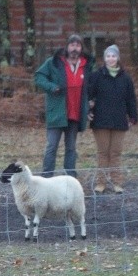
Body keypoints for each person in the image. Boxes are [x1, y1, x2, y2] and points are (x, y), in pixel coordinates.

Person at [33, 34, 95, 178]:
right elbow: (38, 77)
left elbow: (92, 86)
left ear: (81, 48)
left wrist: (91, 103)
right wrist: (51, 87)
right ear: (67, 47)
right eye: (72, 45)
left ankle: (70, 178)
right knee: (51, 147)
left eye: (78, 45)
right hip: (57, 112)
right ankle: (46, 178)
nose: (75, 48)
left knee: (71, 148)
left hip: (76, 113)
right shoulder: (54, 62)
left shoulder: (87, 65)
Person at [87, 44, 138, 194]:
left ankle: (117, 183)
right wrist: (88, 110)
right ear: (104, 58)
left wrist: (133, 116)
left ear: (118, 58)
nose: (111, 58)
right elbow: (88, 96)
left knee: (115, 153)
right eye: (108, 56)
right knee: (103, 153)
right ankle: (101, 183)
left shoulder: (126, 78)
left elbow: (131, 99)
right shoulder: (96, 76)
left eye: (113, 56)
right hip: (100, 120)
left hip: (119, 121)